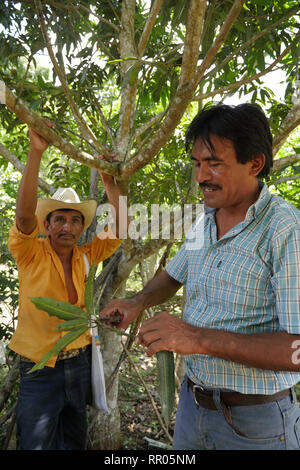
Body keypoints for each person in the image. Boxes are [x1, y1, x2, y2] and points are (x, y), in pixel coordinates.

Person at [99, 103, 300, 450]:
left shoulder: (284, 230)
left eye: (214, 163)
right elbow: (174, 274)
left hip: (256, 426)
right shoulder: (205, 219)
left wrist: (198, 338)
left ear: (255, 164)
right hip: (193, 407)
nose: (201, 176)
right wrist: (137, 302)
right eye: (197, 163)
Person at [8, 122, 124, 450]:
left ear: (82, 227)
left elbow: (124, 224)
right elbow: (24, 216)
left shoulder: (87, 255)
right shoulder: (30, 251)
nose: (67, 226)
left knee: (74, 441)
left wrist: (107, 179)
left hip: (80, 363)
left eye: (75, 220)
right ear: (47, 225)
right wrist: (35, 152)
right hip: (40, 368)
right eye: (59, 218)